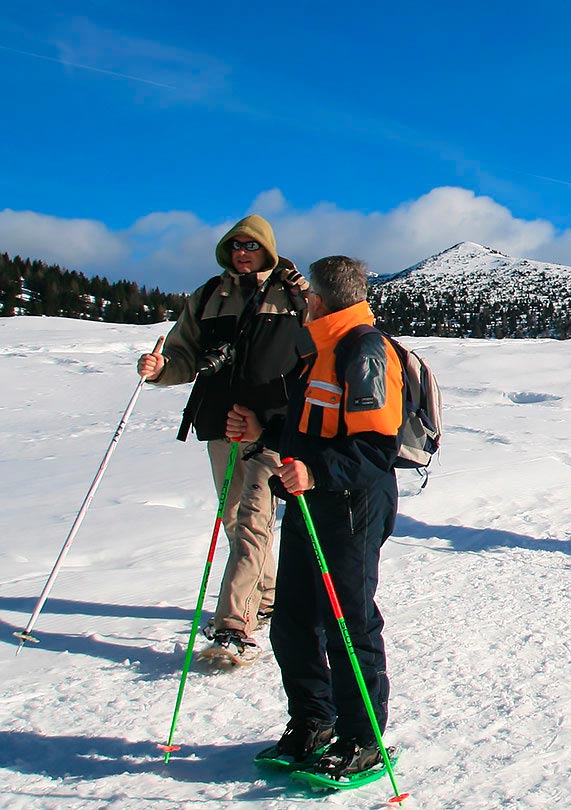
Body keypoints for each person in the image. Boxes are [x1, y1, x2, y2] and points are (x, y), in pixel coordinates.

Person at [227, 255, 403, 781]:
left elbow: (376, 448)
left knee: (347, 622)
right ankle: (312, 722)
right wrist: (262, 434)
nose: (302, 299)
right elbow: (310, 431)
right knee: (293, 617)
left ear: (321, 299)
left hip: (353, 505)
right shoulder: (322, 346)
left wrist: (317, 473)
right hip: (310, 500)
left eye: (308, 294)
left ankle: (362, 739)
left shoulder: (363, 348)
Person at [135, 214, 308, 665]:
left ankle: (234, 626)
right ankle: (266, 595)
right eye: (235, 246)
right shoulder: (209, 296)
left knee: (254, 520)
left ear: (267, 248)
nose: (241, 253)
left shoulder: (295, 294)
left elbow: (316, 358)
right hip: (219, 423)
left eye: (250, 246)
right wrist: (160, 371)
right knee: (234, 519)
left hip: (272, 426)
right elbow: (183, 354)